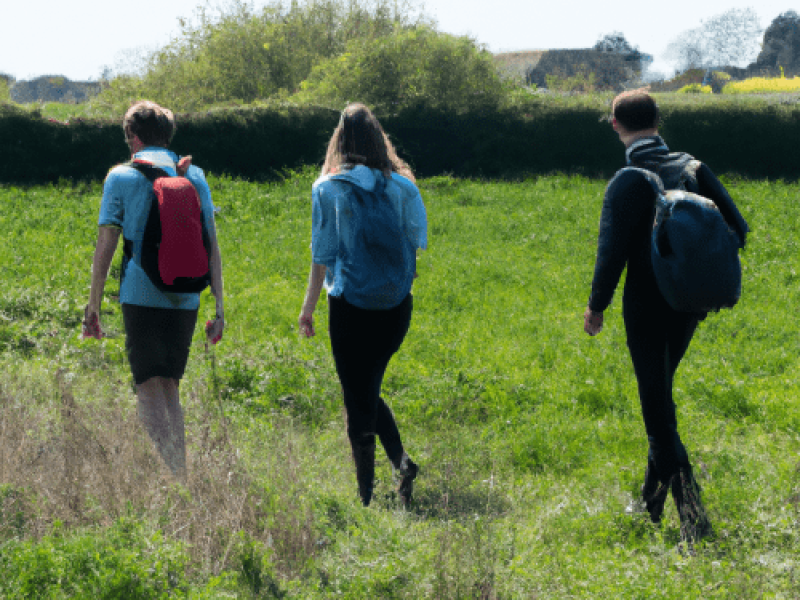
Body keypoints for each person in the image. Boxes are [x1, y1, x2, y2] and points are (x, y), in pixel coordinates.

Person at [583, 89, 748, 543]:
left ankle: (694, 519)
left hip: (645, 308)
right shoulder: (693, 167)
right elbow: (739, 228)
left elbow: (611, 252)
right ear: (659, 119)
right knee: (660, 397)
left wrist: (597, 306)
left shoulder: (628, 179)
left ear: (615, 124)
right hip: (690, 305)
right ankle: (649, 506)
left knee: (657, 413)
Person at [85, 100, 225, 481]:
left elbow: (106, 243)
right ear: (169, 135)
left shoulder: (121, 176)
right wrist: (220, 306)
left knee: (147, 387)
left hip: (141, 294)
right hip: (188, 296)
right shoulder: (193, 175)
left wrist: (93, 303)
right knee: (169, 387)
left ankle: (170, 480)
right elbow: (211, 241)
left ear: (133, 137)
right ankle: (181, 472)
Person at [299, 103, 427, 507]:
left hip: (351, 306)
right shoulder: (404, 186)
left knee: (358, 397)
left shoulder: (328, 188)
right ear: (378, 139)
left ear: (339, 140)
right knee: (366, 385)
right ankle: (399, 465)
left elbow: (323, 253)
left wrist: (308, 309)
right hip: (396, 307)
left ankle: (367, 496)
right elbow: (415, 245)